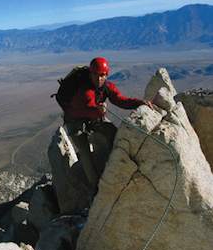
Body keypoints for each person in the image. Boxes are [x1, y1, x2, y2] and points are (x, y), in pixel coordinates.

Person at [64, 57, 154, 191]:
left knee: (112, 132)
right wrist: (99, 111)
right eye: (96, 75)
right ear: (90, 74)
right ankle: (95, 186)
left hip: (92, 116)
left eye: (102, 75)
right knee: (85, 153)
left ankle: (115, 165)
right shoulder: (85, 90)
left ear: (106, 75)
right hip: (75, 121)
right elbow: (89, 108)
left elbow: (120, 100)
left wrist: (138, 103)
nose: (99, 79)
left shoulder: (107, 87)